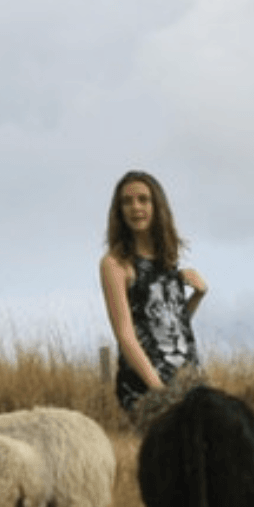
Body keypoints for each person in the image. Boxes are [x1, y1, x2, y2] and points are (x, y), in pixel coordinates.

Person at [100, 170, 208, 419]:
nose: (135, 207)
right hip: (146, 387)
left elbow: (171, 324)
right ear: (119, 211)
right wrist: (160, 392)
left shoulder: (167, 261)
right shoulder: (116, 264)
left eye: (143, 199)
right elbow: (125, 336)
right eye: (126, 202)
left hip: (188, 380)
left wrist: (197, 296)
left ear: (157, 205)